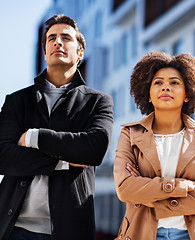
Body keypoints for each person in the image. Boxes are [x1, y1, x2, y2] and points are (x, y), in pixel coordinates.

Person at [0, 14, 113, 240]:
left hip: (68, 230)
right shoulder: (17, 100)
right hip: (12, 228)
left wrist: (35, 137)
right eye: (51, 38)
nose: (57, 42)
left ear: (80, 53)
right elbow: (3, 157)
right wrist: (62, 162)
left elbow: (95, 148)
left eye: (66, 38)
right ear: (44, 53)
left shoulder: (97, 101)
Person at [113, 52, 195, 240]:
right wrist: (185, 186)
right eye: (158, 83)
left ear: (187, 94)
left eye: (174, 83)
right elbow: (125, 188)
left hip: (190, 235)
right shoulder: (130, 134)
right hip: (141, 234)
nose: (165, 86)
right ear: (148, 94)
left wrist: (154, 199)